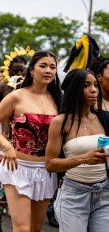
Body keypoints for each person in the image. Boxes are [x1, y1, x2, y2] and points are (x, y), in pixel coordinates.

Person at [0, 51, 62, 232]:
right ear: (32, 70)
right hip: (17, 168)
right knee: (22, 228)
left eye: (52, 67)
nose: (48, 71)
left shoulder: (58, 99)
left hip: (46, 171)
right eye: (43, 66)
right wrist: (6, 146)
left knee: (35, 228)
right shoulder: (16, 96)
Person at [45, 69, 109, 232]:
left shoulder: (104, 118)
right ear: (73, 89)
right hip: (73, 196)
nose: (94, 90)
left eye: (95, 85)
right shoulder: (60, 122)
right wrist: (83, 159)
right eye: (86, 85)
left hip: (104, 194)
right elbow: (51, 164)